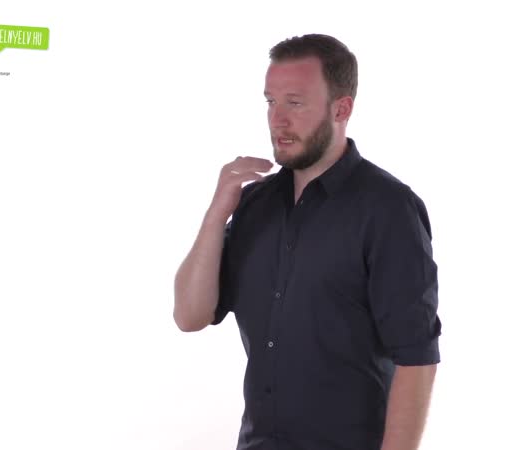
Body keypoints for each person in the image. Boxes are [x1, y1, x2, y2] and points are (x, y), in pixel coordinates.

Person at [173, 33, 441, 450]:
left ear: (341, 108)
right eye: (270, 102)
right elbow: (190, 315)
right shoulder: (253, 204)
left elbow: (417, 358)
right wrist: (216, 214)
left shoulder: (389, 209)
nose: (277, 119)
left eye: (295, 103)